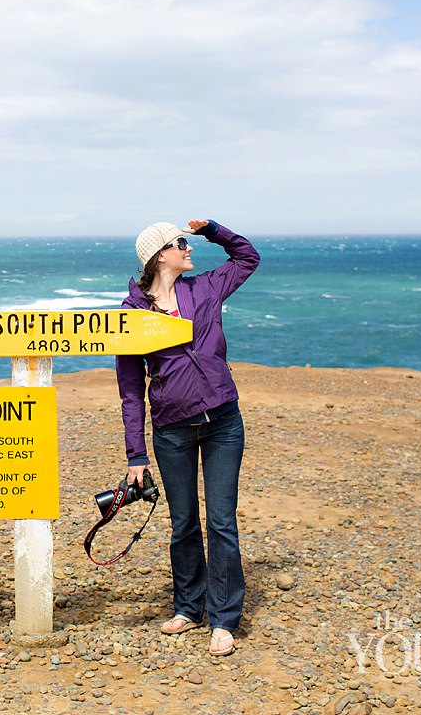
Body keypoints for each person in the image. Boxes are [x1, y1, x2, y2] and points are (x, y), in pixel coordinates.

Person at [115, 219, 259, 656]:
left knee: (221, 521)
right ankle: (188, 606)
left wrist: (212, 229)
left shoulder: (207, 288)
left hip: (223, 424)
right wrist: (135, 454)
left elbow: (247, 257)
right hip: (172, 429)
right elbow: (129, 389)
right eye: (181, 243)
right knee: (183, 524)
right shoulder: (132, 312)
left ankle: (224, 619)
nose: (188, 248)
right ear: (160, 255)